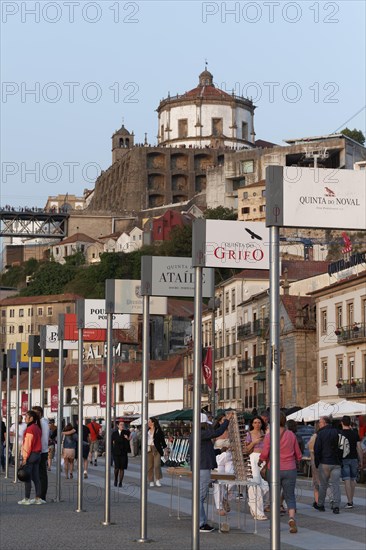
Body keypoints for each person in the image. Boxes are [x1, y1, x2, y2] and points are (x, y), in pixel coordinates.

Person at [189, 411, 233, 533]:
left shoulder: (197, 434)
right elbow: (217, 432)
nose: (209, 426)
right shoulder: (201, 433)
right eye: (207, 424)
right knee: (200, 497)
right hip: (202, 468)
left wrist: (220, 451)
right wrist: (227, 421)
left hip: (200, 466)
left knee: (199, 496)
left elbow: (206, 451)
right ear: (203, 424)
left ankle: (199, 521)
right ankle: (201, 524)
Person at [259, 411, 302, 534]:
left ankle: (274, 524)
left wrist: (261, 459)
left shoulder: (269, 436)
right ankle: (292, 518)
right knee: (290, 496)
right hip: (290, 469)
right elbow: (298, 453)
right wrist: (298, 460)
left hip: (274, 469)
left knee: (274, 498)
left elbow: (265, 452)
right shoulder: (291, 435)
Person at [314, 415, 342, 514]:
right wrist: (340, 460)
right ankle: (336, 506)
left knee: (323, 485)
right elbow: (342, 448)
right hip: (336, 463)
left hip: (324, 462)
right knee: (336, 485)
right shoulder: (338, 432)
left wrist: (317, 463)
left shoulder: (320, 434)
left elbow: (317, 449)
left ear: (325, 423)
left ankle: (320, 504)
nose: (319, 424)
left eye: (320, 422)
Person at [245, 416, 269, 520]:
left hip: (264, 459)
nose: (257, 424)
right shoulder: (249, 434)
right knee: (255, 484)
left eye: (259, 422)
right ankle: (258, 512)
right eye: (255, 422)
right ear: (252, 424)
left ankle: (253, 504)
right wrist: (254, 442)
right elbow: (246, 449)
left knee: (265, 486)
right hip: (254, 457)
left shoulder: (265, 433)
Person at [18, 410, 44, 505]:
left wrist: (24, 458)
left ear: (31, 418)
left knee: (27, 477)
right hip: (37, 455)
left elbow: (27, 445)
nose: (25, 418)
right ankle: (38, 498)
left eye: (26, 417)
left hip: (31, 455)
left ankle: (27, 498)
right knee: (36, 477)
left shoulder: (30, 429)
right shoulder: (37, 428)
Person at [340, 415, 362, 509]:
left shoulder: (340, 434)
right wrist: (360, 460)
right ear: (350, 423)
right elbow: (359, 448)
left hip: (344, 459)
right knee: (353, 479)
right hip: (354, 459)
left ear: (342, 423)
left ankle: (349, 502)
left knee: (347, 480)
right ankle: (351, 500)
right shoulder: (355, 433)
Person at [32, 406, 49, 502]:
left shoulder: (43, 423)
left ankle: (42, 496)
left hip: (41, 451)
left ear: (40, 413)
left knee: (41, 474)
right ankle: (40, 495)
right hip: (41, 450)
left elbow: (44, 438)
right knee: (39, 474)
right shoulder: (41, 423)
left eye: (35, 413)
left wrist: (40, 449)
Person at [147, 417, 168, 487]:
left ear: (153, 422)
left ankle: (158, 480)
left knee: (157, 465)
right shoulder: (146, 430)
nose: (148, 423)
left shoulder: (158, 431)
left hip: (157, 449)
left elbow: (163, 441)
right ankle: (151, 480)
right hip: (148, 448)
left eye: (149, 421)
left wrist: (165, 449)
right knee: (149, 466)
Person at [111, 421, 131, 487]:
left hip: (123, 452)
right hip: (116, 452)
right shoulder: (114, 433)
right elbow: (111, 442)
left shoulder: (127, 432)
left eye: (123, 424)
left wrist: (127, 438)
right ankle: (116, 479)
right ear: (118, 425)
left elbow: (130, 439)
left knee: (122, 468)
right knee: (116, 467)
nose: (122, 425)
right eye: (121, 424)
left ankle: (120, 482)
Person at [308, 421, 320, 506]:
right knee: (324, 482)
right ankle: (330, 499)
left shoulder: (314, 437)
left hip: (315, 461)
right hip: (324, 461)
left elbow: (311, 449)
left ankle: (317, 501)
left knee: (316, 482)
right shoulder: (324, 436)